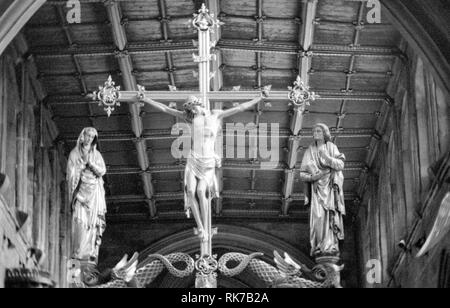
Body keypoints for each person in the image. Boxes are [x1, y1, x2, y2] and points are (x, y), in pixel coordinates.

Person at [139, 90, 269, 242]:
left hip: (208, 161)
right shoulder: (190, 118)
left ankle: (206, 228)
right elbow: (167, 109)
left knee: (201, 192)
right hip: (194, 158)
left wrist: (258, 98)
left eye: (192, 107)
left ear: (198, 103)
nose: (191, 110)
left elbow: (240, 108)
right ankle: (200, 227)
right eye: (189, 109)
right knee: (190, 190)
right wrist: (147, 99)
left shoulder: (216, 114)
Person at [299, 123, 346, 257]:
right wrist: (314, 176)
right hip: (316, 190)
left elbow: (340, 164)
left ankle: (330, 246)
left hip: (330, 188)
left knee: (329, 217)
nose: (316, 133)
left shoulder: (331, 147)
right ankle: (319, 245)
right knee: (318, 218)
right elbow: (302, 174)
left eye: (318, 131)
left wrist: (327, 158)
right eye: (314, 131)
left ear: (324, 133)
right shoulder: (310, 150)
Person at [67, 127, 107, 263]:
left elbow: (102, 170)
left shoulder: (97, 155)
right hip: (80, 194)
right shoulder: (74, 153)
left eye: (92, 137)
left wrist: (91, 164)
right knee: (80, 222)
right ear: (82, 136)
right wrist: (80, 168)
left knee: (92, 224)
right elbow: (71, 175)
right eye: (87, 135)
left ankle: (88, 254)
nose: (89, 138)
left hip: (94, 193)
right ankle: (77, 253)